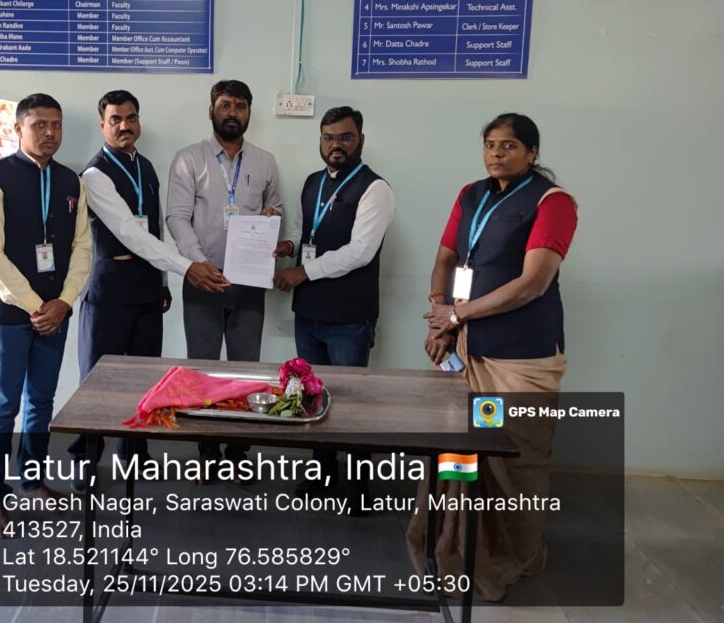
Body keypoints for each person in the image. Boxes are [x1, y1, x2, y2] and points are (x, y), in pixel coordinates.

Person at [408, 112, 578, 601]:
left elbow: (533, 284)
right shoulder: (471, 195)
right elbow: (446, 259)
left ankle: (512, 554)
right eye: (489, 144)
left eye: (508, 145)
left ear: (532, 152)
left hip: (521, 357)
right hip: (469, 349)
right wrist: (441, 318)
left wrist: (457, 315)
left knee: (515, 462)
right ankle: (451, 548)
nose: (496, 154)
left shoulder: (552, 202)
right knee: (458, 457)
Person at [68, 90, 229, 483]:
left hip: (145, 291)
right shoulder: (94, 175)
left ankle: (135, 454)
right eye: (116, 119)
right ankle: (85, 459)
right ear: (102, 125)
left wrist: (162, 282)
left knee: (145, 379)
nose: (125, 125)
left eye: (131, 117)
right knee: (97, 383)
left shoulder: (147, 167)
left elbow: (154, 229)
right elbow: (129, 232)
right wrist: (186, 268)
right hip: (108, 294)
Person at [0, 93, 92, 538]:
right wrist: (37, 306)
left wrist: (65, 301)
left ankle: (33, 480)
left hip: (56, 313)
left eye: (56, 125)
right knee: (4, 404)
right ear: (18, 129)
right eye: (39, 125)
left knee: (42, 401)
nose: (50, 133)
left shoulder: (71, 181)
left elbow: (83, 248)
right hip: (9, 315)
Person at [274, 106, 395, 501]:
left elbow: (360, 252)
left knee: (351, 401)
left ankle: (358, 486)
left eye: (345, 137)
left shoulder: (375, 189)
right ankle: (322, 475)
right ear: (321, 141)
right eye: (328, 137)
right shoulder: (312, 182)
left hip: (349, 316)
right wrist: (287, 246)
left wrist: (302, 272)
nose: (336, 144)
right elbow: (303, 229)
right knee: (312, 394)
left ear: (360, 140)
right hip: (308, 312)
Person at [166, 79, 283, 466]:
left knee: (245, 371)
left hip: (249, 282)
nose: (233, 112)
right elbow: (176, 217)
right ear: (211, 110)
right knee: (203, 370)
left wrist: (272, 217)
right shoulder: (189, 158)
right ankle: (206, 452)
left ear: (249, 112)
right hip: (203, 279)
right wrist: (197, 264)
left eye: (240, 106)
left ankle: (238, 452)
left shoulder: (265, 161)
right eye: (225, 105)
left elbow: (277, 208)